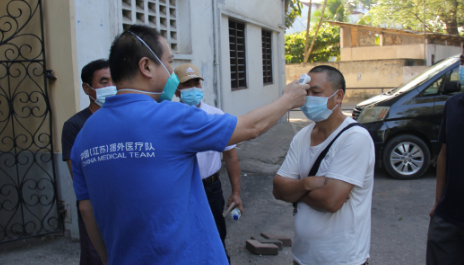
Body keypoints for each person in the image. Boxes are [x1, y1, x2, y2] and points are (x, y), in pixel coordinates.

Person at [71, 24, 309, 265]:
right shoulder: (170, 117)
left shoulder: (85, 134)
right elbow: (250, 127)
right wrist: (288, 99)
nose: (172, 72)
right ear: (146, 66)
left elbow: (87, 211)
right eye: (169, 62)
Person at [272, 65, 374, 265]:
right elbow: (277, 189)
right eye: (306, 92)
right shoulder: (302, 136)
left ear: (338, 96)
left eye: (316, 92)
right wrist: (307, 183)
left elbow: (330, 201)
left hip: (343, 259)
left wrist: (293, 190)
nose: (308, 98)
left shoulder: (355, 138)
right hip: (302, 257)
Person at [174, 63, 242, 262]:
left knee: (216, 235)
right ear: (177, 90)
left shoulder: (215, 116)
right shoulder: (169, 117)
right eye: (187, 84)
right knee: (183, 238)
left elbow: (230, 155)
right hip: (180, 189)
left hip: (210, 187)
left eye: (197, 83)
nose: (194, 88)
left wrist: (236, 192)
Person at [61, 59, 115, 265]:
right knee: (97, 257)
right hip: (94, 204)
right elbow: (77, 174)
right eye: (103, 82)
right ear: (87, 88)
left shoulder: (121, 119)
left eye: (114, 80)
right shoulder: (75, 125)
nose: (111, 87)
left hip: (121, 203)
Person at [426, 49, 464, 264]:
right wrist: (438, 203)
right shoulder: (453, 105)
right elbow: (444, 154)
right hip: (448, 218)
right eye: (463, 61)